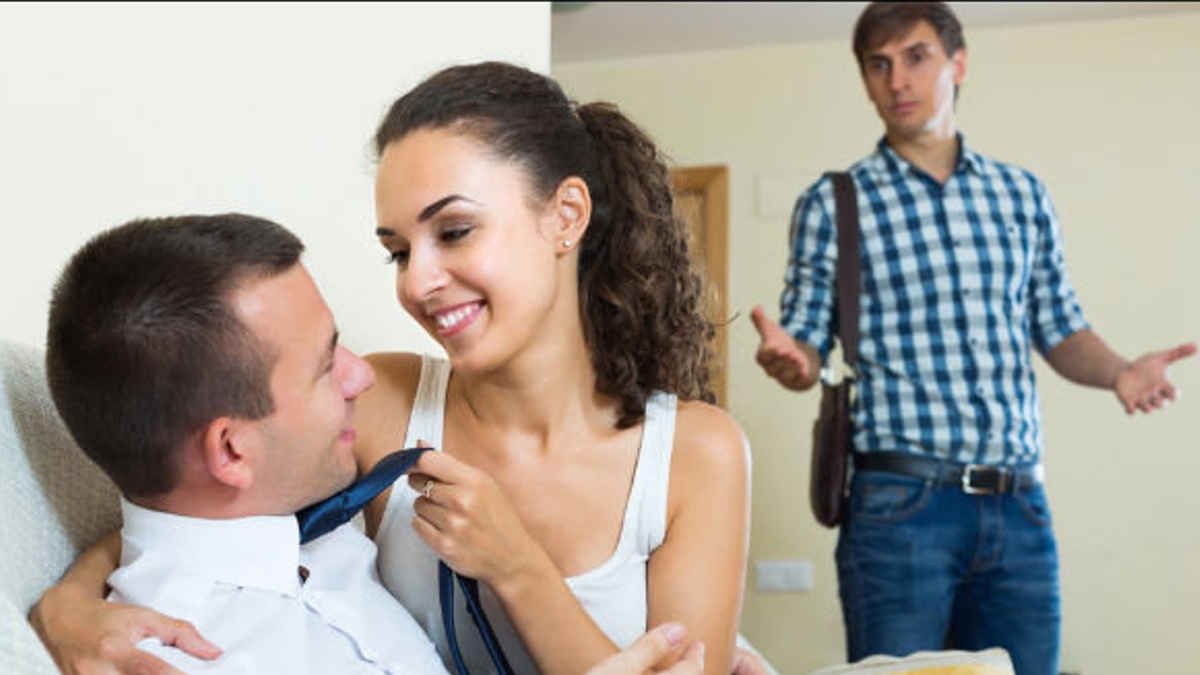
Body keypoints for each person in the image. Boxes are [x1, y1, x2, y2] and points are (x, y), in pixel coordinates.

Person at [33, 61, 758, 674]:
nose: (418, 282)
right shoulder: (385, 406)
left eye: (455, 231)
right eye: (399, 251)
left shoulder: (696, 455)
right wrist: (65, 605)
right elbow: (203, 499)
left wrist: (517, 568)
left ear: (566, 215)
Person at [750, 3, 1196, 675]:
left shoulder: (1022, 195)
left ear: (957, 63)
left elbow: (1059, 324)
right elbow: (806, 343)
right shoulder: (834, 202)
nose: (897, 79)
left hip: (1019, 506)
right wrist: (795, 362)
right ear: (865, 80)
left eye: (916, 57)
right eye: (878, 64)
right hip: (899, 509)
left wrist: (1119, 371)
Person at [41, 213, 449, 673]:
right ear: (232, 452)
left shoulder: (294, 514)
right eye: (324, 367)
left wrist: (68, 596)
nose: (363, 375)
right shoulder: (188, 659)